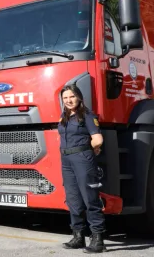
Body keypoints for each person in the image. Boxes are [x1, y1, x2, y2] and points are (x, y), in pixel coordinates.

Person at [58, 84, 107, 253]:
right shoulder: (64, 117)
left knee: (90, 198)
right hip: (66, 160)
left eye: (72, 96)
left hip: (82, 159)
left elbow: (98, 139)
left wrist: (90, 150)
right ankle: (78, 236)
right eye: (65, 98)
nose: (69, 100)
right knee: (73, 199)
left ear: (79, 97)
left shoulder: (87, 115)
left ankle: (98, 239)